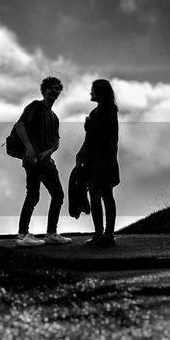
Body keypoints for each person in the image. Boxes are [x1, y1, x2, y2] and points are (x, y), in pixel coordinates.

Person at [14, 76, 71, 246]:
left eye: (57, 88)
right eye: (51, 88)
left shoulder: (54, 117)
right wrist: (29, 147)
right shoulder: (36, 107)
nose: (54, 90)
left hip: (45, 161)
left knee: (57, 195)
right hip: (32, 159)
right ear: (44, 90)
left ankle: (51, 233)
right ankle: (23, 235)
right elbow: (20, 125)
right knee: (33, 195)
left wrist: (50, 151)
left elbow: (56, 140)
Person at [76, 78, 120, 247]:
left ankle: (107, 235)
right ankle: (100, 234)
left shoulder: (107, 111)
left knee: (105, 196)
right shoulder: (98, 112)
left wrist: (88, 124)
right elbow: (90, 140)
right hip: (95, 161)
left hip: (104, 160)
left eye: (92, 90)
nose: (90, 93)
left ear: (99, 92)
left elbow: (100, 134)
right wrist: (80, 154)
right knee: (96, 196)